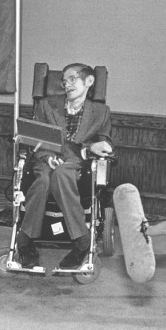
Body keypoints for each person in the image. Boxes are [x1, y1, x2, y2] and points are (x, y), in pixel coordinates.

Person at [16, 63, 113, 269]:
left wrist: (97, 147)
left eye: (72, 79)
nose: (66, 85)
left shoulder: (101, 112)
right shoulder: (46, 105)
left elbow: (104, 143)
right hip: (45, 160)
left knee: (61, 173)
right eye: (63, 81)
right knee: (42, 180)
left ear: (89, 81)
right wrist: (48, 156)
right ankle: (26, 241)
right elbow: (35, 138)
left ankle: (81, 241)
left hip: (77, 164)